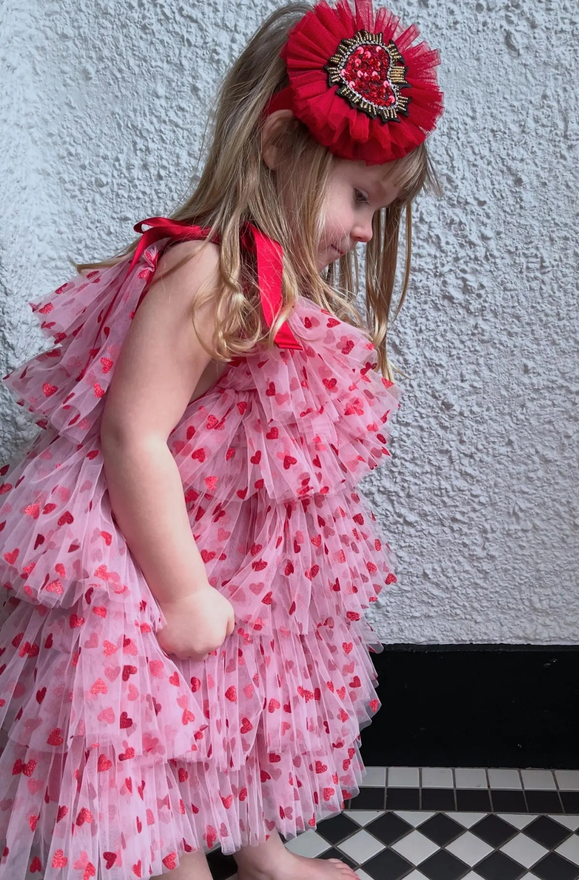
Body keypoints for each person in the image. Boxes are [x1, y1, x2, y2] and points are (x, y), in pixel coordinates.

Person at [0, 1, 443, 877]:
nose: (361, 231)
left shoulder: (264, 274)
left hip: (217, 543)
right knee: (148, 724)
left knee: (239, 696)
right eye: (359, 197)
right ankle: (172, 859)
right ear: (278, 143)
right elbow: (131, 433)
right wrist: (184, 592)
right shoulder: (207, 270)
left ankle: (261, 852)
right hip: (144, 553)